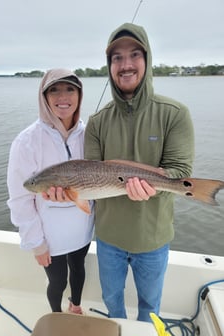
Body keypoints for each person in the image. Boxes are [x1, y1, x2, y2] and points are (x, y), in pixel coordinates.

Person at [84, 23, 195, 322]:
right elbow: (90, 176)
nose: (126, 64)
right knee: (112, 302)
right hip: (108, 239)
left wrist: (153, 183)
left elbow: (181, 170)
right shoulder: (96, 122)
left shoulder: (175, 113)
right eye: (116, 58)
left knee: (150, 305)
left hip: (154, 238)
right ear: (109, 67)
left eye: (134, 54)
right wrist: (64, 193)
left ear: (147, 60)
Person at [7, 68, 94, 314]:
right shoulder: (27, 141)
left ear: (79, 95)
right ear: (43, 97)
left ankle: (75, 305)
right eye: (53, 90)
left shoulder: (91, 134)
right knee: (57, 280)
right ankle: (56, 315)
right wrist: (37, 243)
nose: (62, 97)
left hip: (83, 226)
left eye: (70, 89)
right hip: (49, 235)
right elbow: (20, 199)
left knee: (78, 268)